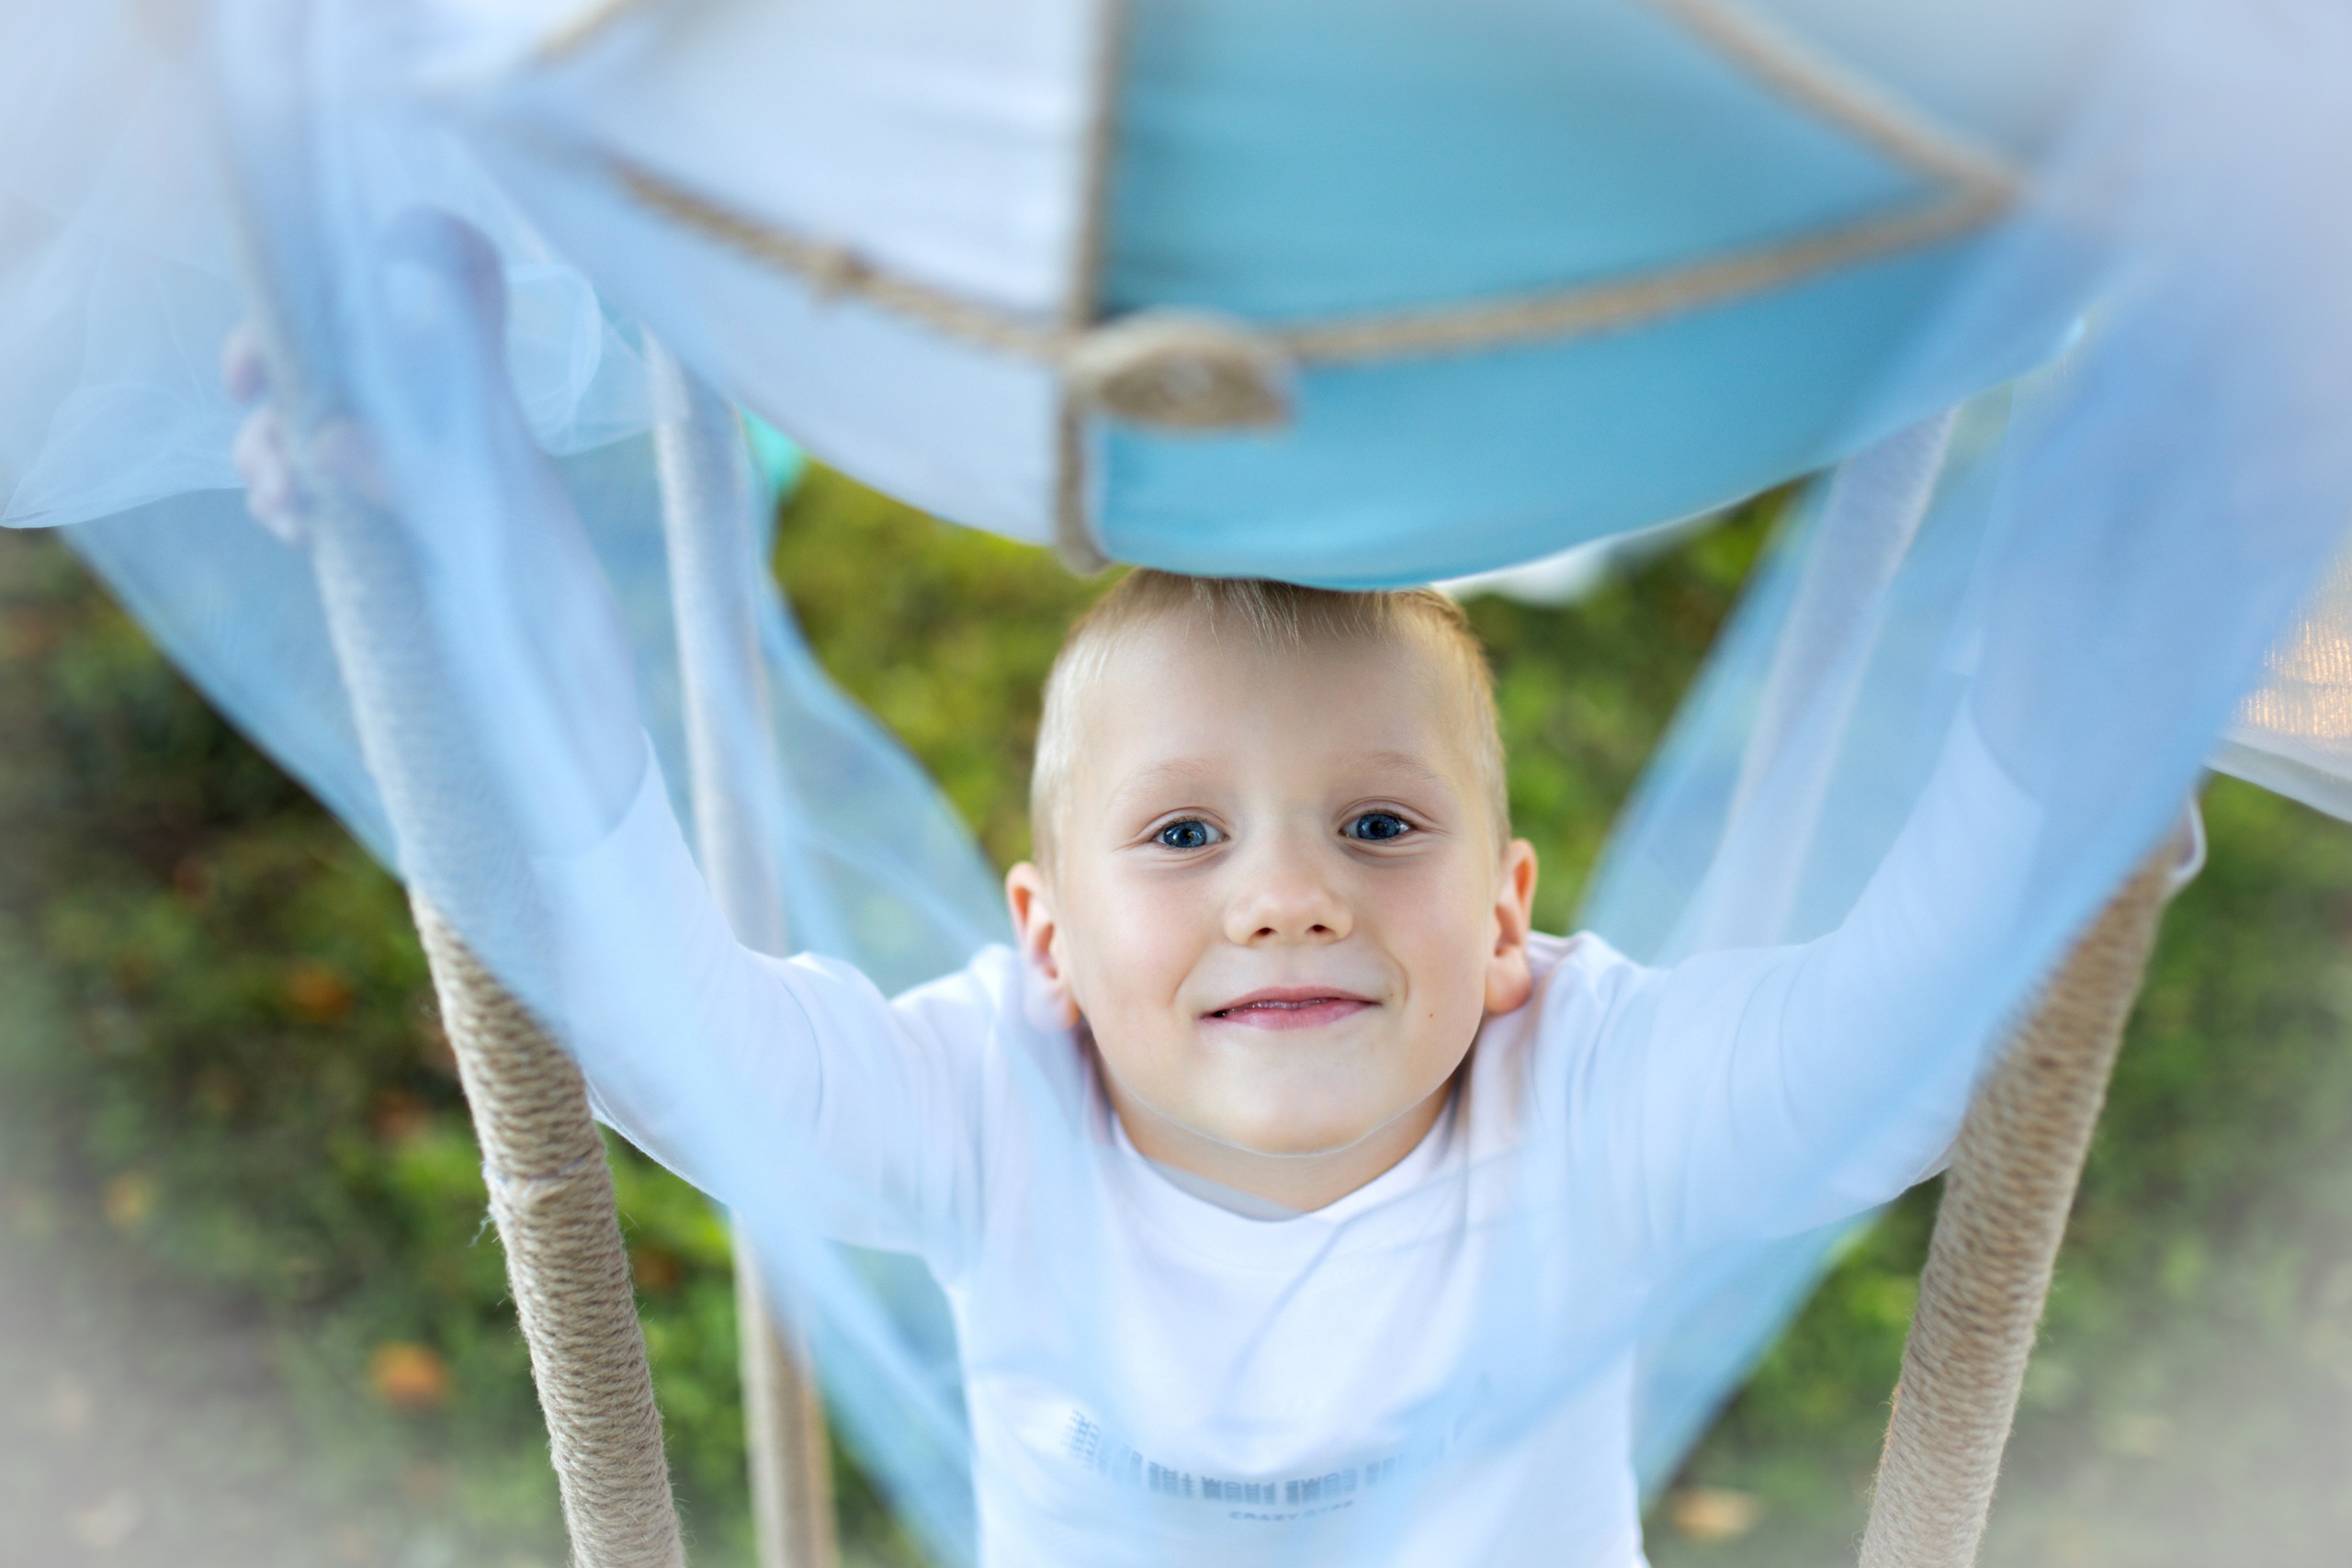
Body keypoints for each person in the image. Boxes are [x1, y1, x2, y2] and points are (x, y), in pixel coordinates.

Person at [220, 223, 2109, 1568]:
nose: (1283, 895)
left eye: (1378, 826)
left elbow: (1900, 1040)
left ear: (1508, 913)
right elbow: (653, 1015)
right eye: (1183, 834)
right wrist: (461, 556)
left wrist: (2058, 698)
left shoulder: (1583, 1092)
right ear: (1044, 938)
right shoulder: (991, 1107)